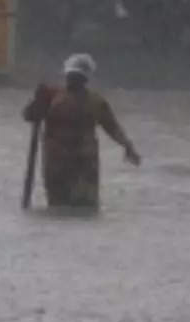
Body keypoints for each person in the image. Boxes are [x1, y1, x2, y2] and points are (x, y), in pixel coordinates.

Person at [23, 54, 141, 210]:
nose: (73, 80)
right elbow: (30, 115)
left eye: (77, 77)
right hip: (58, 164)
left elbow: (112, 127)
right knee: (59, 207)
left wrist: (128, 146)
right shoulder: (51, 97)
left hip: (83, 165)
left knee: (84, 207)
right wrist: (37, 102)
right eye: (71, 76)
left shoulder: (95, 102)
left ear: (85, 80)